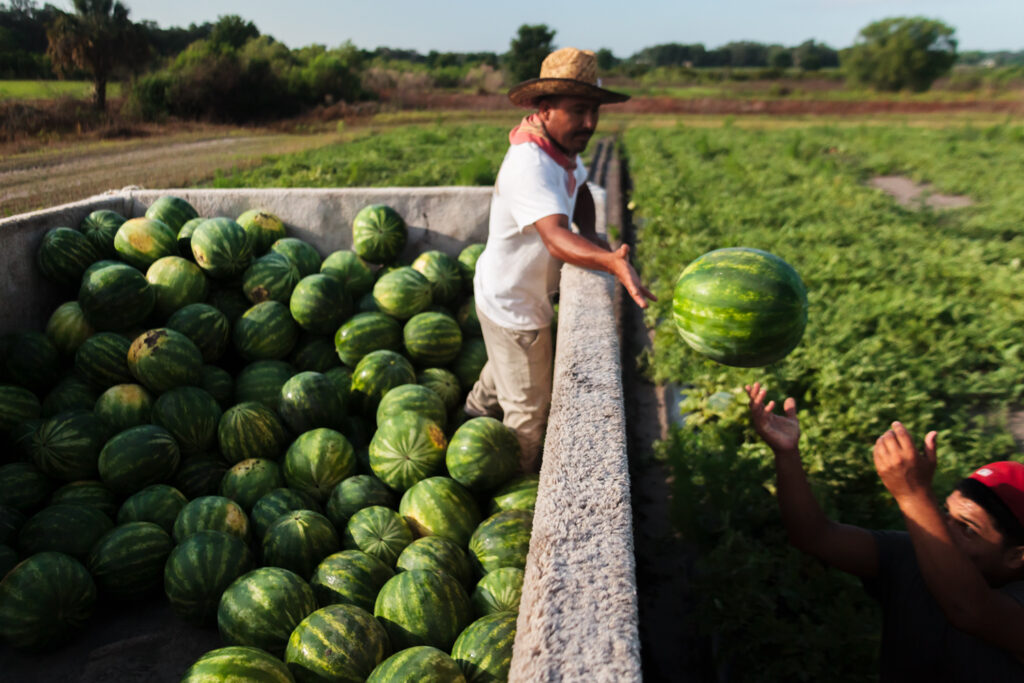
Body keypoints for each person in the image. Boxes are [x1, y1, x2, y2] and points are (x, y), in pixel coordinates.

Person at [746, 381, 1024, 681]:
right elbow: (814, 536)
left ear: (1016, 556)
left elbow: (968, 609)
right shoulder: (915, 556)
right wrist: (786, 453)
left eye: (967, 528)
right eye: (945, 513)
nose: (943, 528)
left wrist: (913, 495)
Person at [464, 47, 655, 472]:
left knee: (505, 369)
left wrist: (590, 234)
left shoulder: (559, 149)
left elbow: (581, 188)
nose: (589, 123)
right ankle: (518, 485)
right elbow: (554, 238)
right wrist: (611, 261)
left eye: (594, 111)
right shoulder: (530, 163)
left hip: (505, 291)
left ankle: (472, 414)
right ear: (546, 108)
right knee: (530, 412)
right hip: (513, 305)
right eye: (578, 111)